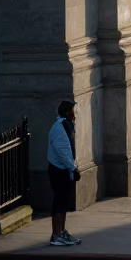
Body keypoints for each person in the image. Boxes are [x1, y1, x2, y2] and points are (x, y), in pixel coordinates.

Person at [47, 98, 82, 247]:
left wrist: (73, 166)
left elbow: (70, 149)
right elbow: (63, 151)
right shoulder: (59, 127)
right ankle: (56, 235)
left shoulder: (67, 125)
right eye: (73, 111)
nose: (75, 114)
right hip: (58, 170)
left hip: (65, 170)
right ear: (68, 112)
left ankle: (62, 232)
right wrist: (72, 168)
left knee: (64, 202)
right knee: (59, 201)